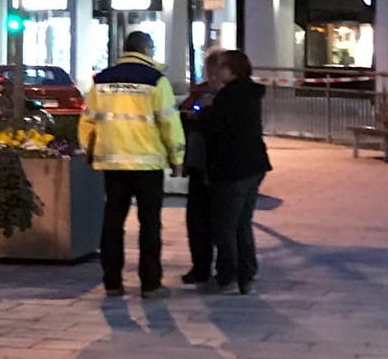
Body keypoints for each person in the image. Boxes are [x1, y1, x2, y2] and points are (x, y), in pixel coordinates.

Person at [79, 31, 184, 299]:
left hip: (112, 164)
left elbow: (88, 121)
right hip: (147, 165)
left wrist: (89, 151)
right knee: (150, 224)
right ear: (146, 49)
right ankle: (150, 284)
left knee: (112, 223)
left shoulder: (101, 81)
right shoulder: (156, 81)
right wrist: (177, 159)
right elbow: (169, 123)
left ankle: (112, 283)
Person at [198, 50, 272, 296]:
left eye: (220, 68)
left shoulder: (228, 97)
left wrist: (205, 110)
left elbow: (213, 128)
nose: (217, 72)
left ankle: (227, 275)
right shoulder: (249, 93)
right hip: (254, 165)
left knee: (225, 226)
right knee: (242, 223)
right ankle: (247, 274)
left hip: (232, 168)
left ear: (232, 70)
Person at [179, 51, 223, 285]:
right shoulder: (200, 90)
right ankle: (201, 266)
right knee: (197, 219)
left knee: (219, 220)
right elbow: (183, 113)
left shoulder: (231, 94)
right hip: (198, 162)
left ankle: (223, 267)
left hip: (219, 164)